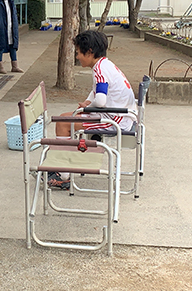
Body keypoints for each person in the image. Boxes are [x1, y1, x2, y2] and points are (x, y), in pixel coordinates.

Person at [52, 30, 136, 189]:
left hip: (115, 121)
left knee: (62, 123)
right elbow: (98, 91)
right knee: (65, 117)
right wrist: (88, 102)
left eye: (78, 52)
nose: (77, 56)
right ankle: (64, 167)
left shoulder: (100, 70)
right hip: (123, 116)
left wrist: (88, 107)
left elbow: (101, 101)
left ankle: (63, 176)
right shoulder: (105, 64)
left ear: (89, 52)